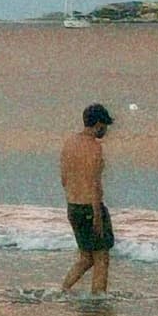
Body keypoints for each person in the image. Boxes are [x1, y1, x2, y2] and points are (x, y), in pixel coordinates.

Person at [59, 101, 115, 294]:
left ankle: (64, 289)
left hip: (72, 206)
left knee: (86, 257)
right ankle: (98, 299)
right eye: (105, 125)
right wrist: (97, 214)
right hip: (90, 207)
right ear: (98, 124)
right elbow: (94, 183)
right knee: (101, 259)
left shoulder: (69, 144)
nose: (106, 130)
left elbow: (64, 179)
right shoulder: (94, 148)